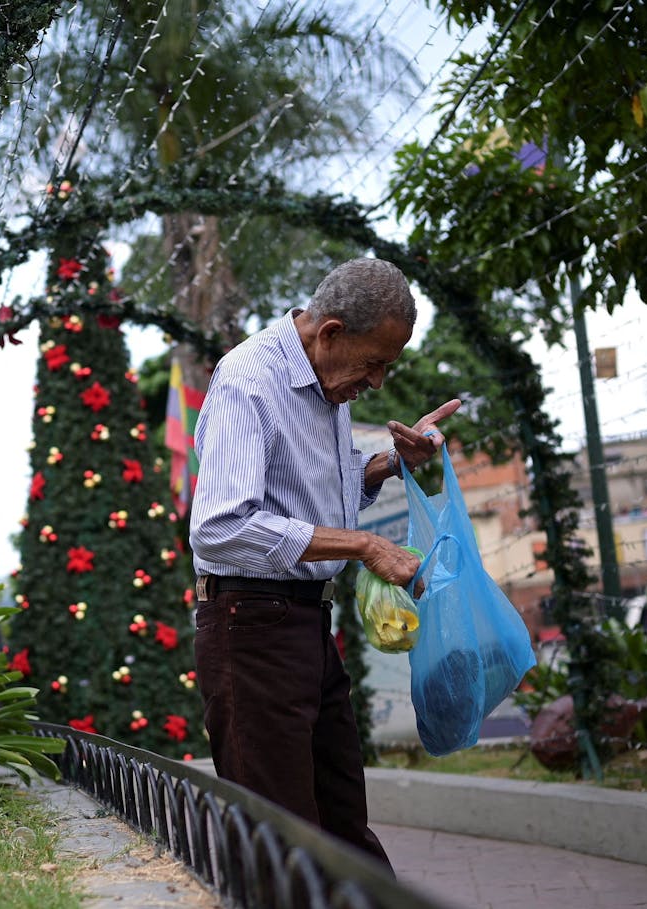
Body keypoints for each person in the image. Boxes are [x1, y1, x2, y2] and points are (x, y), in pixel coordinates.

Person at [188, 257, 458, 871]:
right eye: (374, 363)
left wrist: (393, 461)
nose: (380, 382)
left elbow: (317, 496)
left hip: (306, 624)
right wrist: (365, 546)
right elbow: (221, 527)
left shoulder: (325, 382)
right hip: (250, 627)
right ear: (331, 331)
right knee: (284, 841)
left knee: (342, 826)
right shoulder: (249, 379)